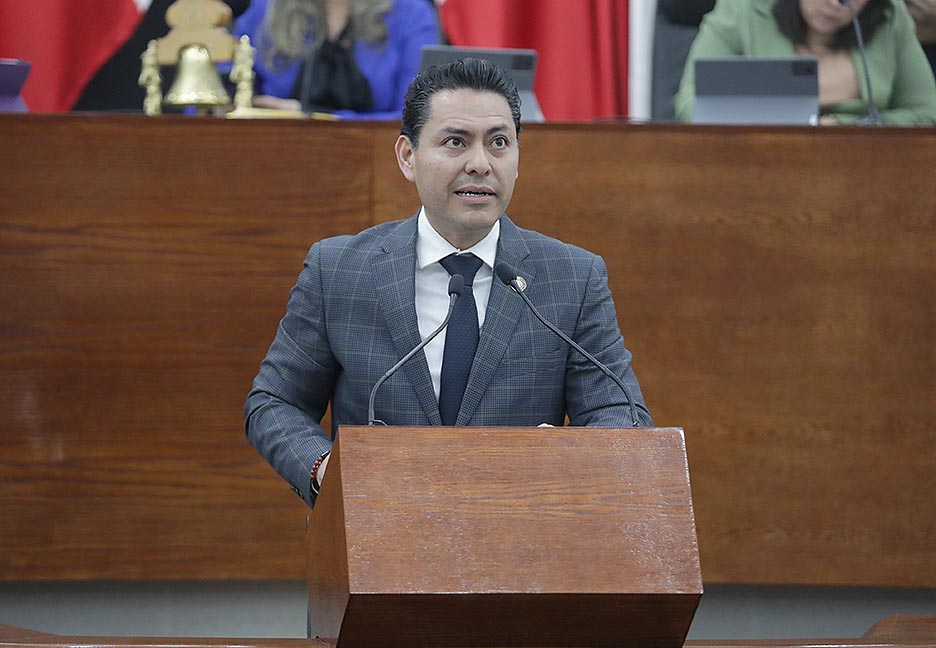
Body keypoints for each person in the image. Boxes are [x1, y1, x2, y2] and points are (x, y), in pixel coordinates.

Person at [244, 57, 654, 507]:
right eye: (456, 142)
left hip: (522, 527)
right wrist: (327, 470)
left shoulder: (572, 277)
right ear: (408, 156)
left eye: (499, 143)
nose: (480, 164)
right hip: (379, 525)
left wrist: (565, 458)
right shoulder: (339, 270)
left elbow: (622, 414)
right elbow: (275, 402)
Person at [674, 0, 936, 125]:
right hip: (758, 163)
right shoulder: (742, 9)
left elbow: (927, 113)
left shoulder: (889, 17)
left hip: (861, 169)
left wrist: (844, 127)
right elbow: (690, 106)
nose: (834, 4)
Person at [231, 0, 438, 118]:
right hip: (275, 150)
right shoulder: (266, 9)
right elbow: (228, 83)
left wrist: (313, 116)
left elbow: (416, 117)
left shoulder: (412, 14)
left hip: (376, 158)